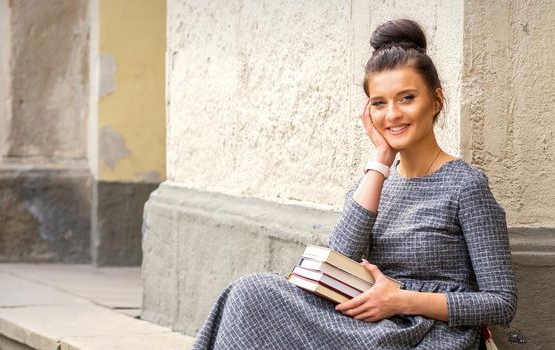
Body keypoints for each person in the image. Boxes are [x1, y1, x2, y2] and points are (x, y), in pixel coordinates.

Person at [191, 18, 517, 350]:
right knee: (250, 293)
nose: (392, 115)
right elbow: (336, 260)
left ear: (435, 101)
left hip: (429, 334)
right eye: (379, 103)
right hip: (367, 323)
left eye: (406, 98)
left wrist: (400, 300)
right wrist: (380, 161)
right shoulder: (374, 185)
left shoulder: (466, 186)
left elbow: (501, 302)